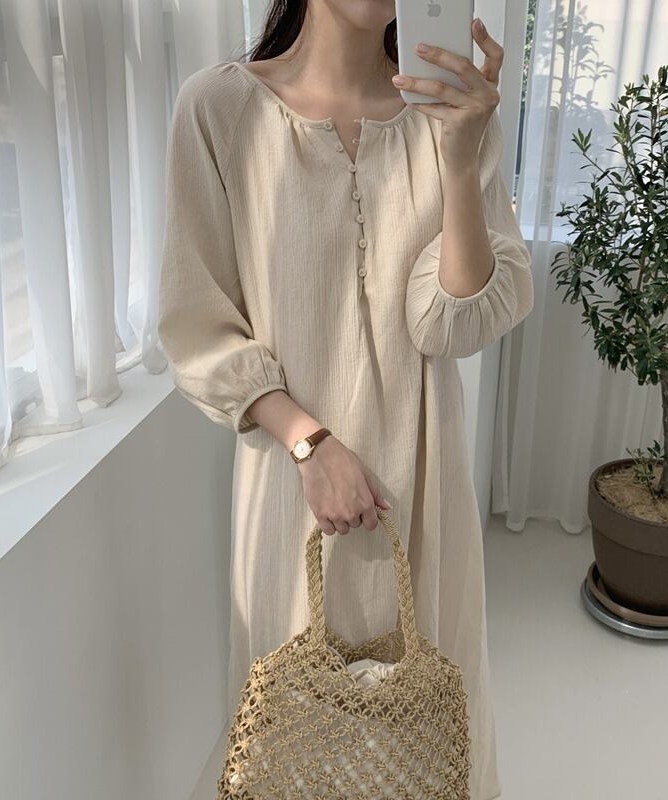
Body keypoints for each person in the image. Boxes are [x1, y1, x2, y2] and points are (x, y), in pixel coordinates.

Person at [158, 2, 533, 797]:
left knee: (425, 747)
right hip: (293, 492)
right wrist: (310, 443)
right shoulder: (218, 110)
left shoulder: (452, 113)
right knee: (293, 747)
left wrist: (459, 158)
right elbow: (198, 324)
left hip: (424, 484)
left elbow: (452, 322)